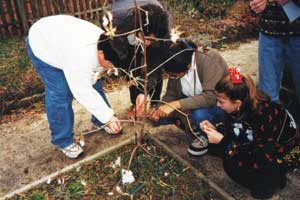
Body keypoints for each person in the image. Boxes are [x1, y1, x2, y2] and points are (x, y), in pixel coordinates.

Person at [27, 15, 122, 159]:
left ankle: (100, 121)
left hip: (62, 41)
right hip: (42, 44)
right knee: (60, 93)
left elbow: (92, 80)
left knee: (95, 83)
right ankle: (63, 140)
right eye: (111, 64)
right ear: (101, 54)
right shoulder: (80, 58)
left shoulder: (106, 42)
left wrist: (106, 117)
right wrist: (109, 117)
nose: (112, 69)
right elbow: (81, 90)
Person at [200, 68, 299, 199]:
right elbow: (235, 129)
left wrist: (224, 142)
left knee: (242, 173)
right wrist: (216, 129)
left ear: (237, 103)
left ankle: (277, 178)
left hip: (284, 151)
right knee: (220, 151)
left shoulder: (265, 114)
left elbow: (264, 153)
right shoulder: (240, 105)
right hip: (258, 144)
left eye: (221, 102)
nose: (217, 105)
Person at [149, 39, 228, 156]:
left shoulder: (209, 59)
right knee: (160, 118)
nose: (173, 78)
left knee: (198, 115)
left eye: (175, 76)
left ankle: (208, 134)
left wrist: (175, 105)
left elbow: (211, 97)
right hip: (193, 102)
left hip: (218, 105)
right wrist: (160, 107)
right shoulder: (176, 61)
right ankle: (191, 124)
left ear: (188, 66)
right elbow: (171, 92)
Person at [111, 0, 172, 116]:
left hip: (147, 28)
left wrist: (144, 91)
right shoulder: (118, 20)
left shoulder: (164, 28)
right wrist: (138, 95)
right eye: (146, 38)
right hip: (128, 28)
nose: (147, 43)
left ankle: (155, 102)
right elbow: (126, 62)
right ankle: (136, 103)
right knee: (132, 66)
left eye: (151, 40)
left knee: (154, 60)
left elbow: (156, 65)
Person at [250, 0, 300, 104]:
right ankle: (271, 119)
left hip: (297, 34)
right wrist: (256, 4)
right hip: (268, 33)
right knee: (267, 96)